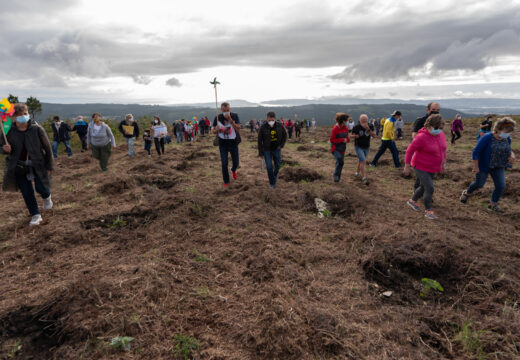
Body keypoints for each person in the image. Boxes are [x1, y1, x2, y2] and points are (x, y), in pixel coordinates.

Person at [0, 103, 54, 226]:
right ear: (13, 117)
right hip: (18, 165)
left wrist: (50, 164)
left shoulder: (36, 128)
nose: (23, 116)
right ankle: (35, 215)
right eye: (20, 115)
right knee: (26, 191)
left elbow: (47, 147)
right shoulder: (8, 130)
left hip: (37, 163)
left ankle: (47, 197)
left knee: (41, 188)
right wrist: (5, 149)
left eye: (25, 114)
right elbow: (1, 147)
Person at [460, 117, 516, 213]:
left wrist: (512, 154)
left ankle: (493, 205)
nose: (508, 133)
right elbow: (476, 152)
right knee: (479, 184)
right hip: (484, 165)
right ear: (499, 128)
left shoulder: (507, 138)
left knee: (501, 185)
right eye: (506, 130)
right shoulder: (487, 137)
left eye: (510, 131)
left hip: (498, 166)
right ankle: (467, 192)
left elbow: (508, 148)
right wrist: (476, 166)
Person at [403, 114, 447, 219]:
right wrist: (407, 166)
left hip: (432, 167)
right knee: (429, 187)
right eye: (436, 128)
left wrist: (443, 164)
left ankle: (412, 201)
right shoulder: (421, 137)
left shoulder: (441, 135)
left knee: (423, 186)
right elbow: (409, 151)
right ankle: (428, 211)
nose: (439, 130)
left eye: (441, 128)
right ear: (429, 126)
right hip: (420, 166)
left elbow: (443, 150)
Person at [213, 102, 241, 188]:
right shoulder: (218, 117)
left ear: (230, 109)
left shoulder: (235, 115)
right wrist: (216, 129)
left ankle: (233, 169)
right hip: (223, 144)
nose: (226, 112)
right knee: (224, 163)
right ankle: (226, 181)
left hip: (233, 143)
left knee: (236, 163)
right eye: (224, 110)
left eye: (227, 110)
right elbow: (213, 131)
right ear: (221, 110)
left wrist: (231, 121)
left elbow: (238, 129)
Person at [258, 111, 287, 188]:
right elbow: (259, 140)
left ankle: (274, 175)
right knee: (269, 167)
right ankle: (272, 183)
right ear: (267, 119)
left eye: (272, 120)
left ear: (275, 119)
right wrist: (261, 152)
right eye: (269, 120)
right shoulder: (263, 127)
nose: (271, 121)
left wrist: (281, 145)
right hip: (267, 150)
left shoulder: (280, 126)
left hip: (277, 149)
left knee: (277, 165)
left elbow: (285, 135)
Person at [351, 114, 375, 184]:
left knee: (361, 160)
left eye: (366, 121)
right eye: (363, 121)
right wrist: (355, 136)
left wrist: (368, 129)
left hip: (366, 147)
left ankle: (357, 172)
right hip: (358, 146)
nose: (364, 122)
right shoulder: (356, 127)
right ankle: (364, 177)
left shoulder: (370, 126)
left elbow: (374, 135)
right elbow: (351, 135)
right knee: (363, 161)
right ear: (360, 121)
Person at [330, 113, 350, 182]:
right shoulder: (335, 128)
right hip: (335, 149)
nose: (347, 122)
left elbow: (347, 139)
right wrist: (342, 140)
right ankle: (336, 175)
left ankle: (338, 177)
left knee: (339, 163)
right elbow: (332, 140)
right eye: (346, 121)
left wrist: (347, 140)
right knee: (340, 160)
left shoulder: (346, 129)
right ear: (343, 121)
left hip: (342, 149)